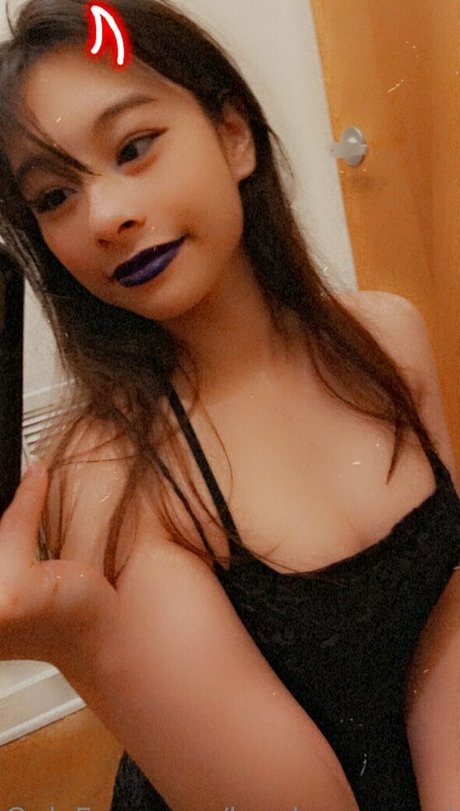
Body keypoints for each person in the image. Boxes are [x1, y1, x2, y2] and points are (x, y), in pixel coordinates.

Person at [0, 0, 459, 808]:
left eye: (133, 147)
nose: (106, 216)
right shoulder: (109, 476)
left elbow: (444, 614)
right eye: (55, 196)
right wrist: (90, 642)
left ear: (235, 135)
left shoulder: (389, 337)